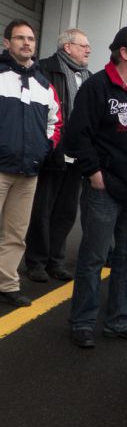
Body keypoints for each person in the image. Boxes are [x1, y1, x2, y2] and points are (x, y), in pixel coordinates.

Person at [65, 25, 127, 348]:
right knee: (94, 258)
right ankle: (82, 322)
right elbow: (77, 136)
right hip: (105, 190)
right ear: (125, 53)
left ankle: (119, 319)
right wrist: (93, 172)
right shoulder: (97, 87)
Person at [0, 19, 62, 307]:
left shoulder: (43, 84)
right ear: (6, 42)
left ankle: (7, 284)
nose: (27, 43)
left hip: (29, 172)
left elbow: (56, 122)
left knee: (15, 234)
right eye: (20, 38)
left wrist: (43, 148)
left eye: (31, 39)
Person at [24, 28, 92, 283]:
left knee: (65, 211)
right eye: (83, 45)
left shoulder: (89, 77)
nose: (88, 50)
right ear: (67, 48)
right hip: (52, 152)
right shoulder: (44, 70)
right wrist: (44, 146)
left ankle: (56, 260)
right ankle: (37, 262)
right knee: (42, 209)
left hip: (77, 155)